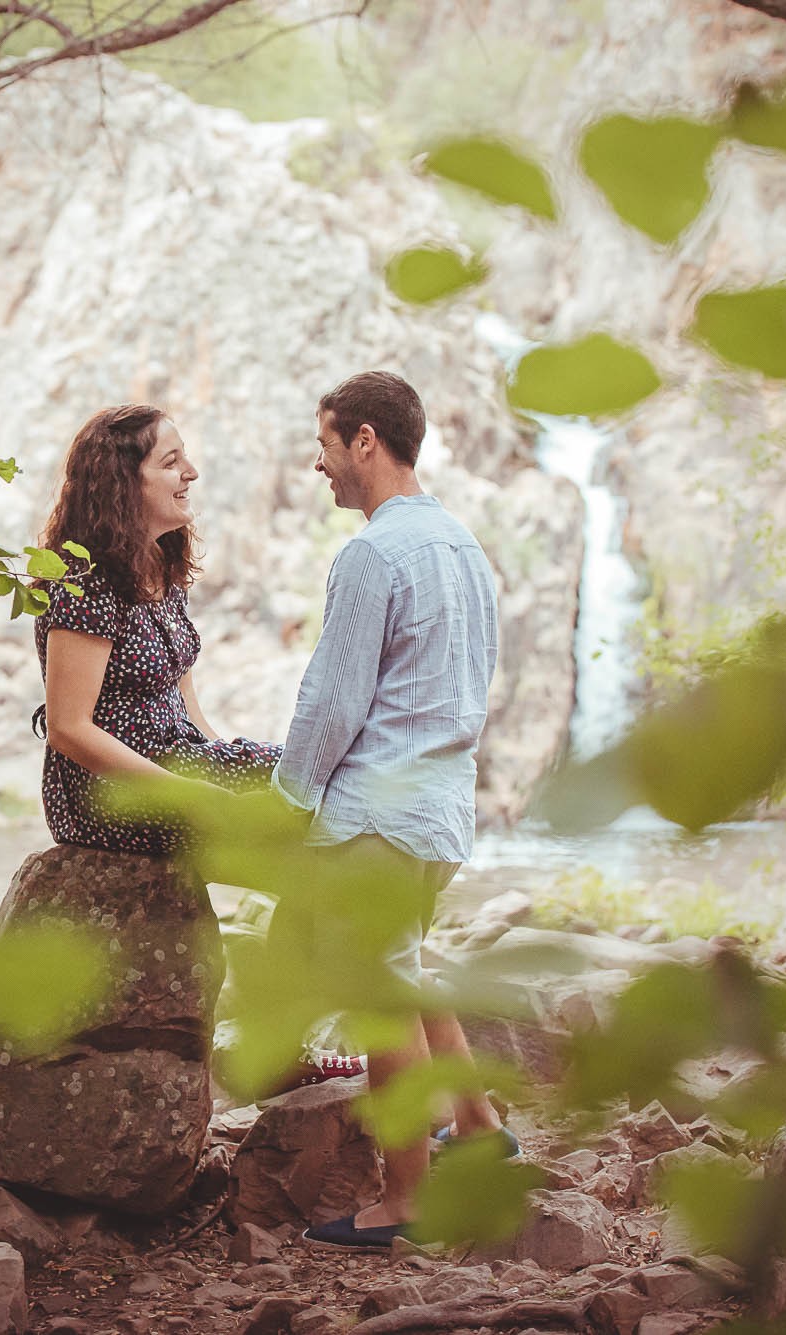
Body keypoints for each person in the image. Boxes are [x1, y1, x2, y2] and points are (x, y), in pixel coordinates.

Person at [274, 371, 515, 1250]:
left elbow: (334, 704)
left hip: (376, 812)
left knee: (379, 1001)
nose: (319, 461)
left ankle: (407, 1197)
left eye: (327, 442)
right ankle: (482, 1131)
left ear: (365, 442)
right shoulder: (462, 544)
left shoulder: (372, 554)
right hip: (442, 808)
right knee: (407, 970)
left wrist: (288, 801)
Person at [35, 404, 279, 854]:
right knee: (302, 838)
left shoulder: (161, 569)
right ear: (122, 484)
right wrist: (192, 796)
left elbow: (187, 705)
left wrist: (228, 768)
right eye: (171, 463)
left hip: (179, 764)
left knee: (300, 779)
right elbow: (67, 728)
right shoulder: (82, 581)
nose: (192, 472)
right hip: (109, 795)